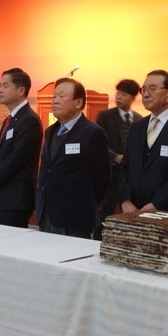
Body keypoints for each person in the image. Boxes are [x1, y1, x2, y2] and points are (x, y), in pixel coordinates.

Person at [118, 70, 168, 215]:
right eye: (143, 89)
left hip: (167, 213)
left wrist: (158, 204)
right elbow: (126, 167)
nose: (145, 94)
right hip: (132, 212)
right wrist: (125, 200)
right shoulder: (137, 127)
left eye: (152, 89)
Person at [36, 78, 109, 238]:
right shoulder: (50, 131)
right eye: (54, 96)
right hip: (46, 214)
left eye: (61, 96)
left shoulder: (92, 133)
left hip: (74, 217)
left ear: (78, 102)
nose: (55, 101)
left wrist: (85, 203)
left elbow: (101, 178)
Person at [0, 68, 43, 228]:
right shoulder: (11, 119)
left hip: (15, 196)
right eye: (0, 85)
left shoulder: (29, 120)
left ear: (21, 90)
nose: (0, 90)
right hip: (2, 194)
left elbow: (17, 158)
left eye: (5, 85)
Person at [95, 78, 142, 235]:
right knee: (104, 211)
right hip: (109, 173)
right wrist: (115, 157)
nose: (119, 97)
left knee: (130, 211)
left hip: (130, 175)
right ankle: (98, 239)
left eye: (123, 94)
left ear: (133, 97)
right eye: (118, 93)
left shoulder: (139, 119)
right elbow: (98, 143)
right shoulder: (105, 116)